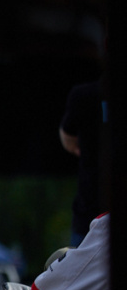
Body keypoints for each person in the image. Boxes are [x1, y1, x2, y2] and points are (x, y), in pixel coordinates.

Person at [58, 79, 105, 246]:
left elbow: (67, 139)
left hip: (89, 213)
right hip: (89, 215)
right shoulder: (85, 95)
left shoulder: (85, 94)